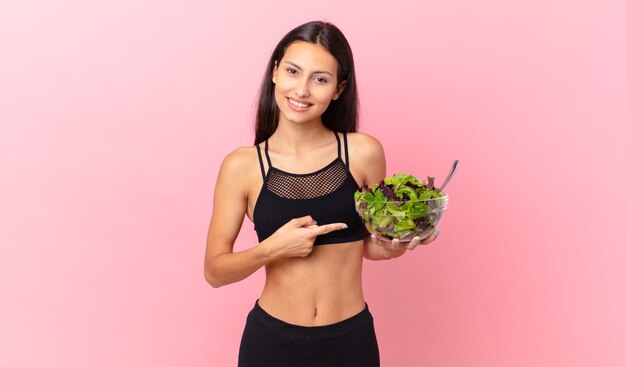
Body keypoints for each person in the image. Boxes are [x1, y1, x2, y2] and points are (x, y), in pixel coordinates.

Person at [204, 20, 440, 367]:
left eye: (320, 79)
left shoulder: (362, 153)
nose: (301, 90)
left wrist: (396, 246)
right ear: (274, 73)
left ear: (338, 89)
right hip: (272, 343)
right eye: (293, 71)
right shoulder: (242, 166)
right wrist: (272, 249)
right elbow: (214, 271)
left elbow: (368, 244)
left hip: (350, 341)